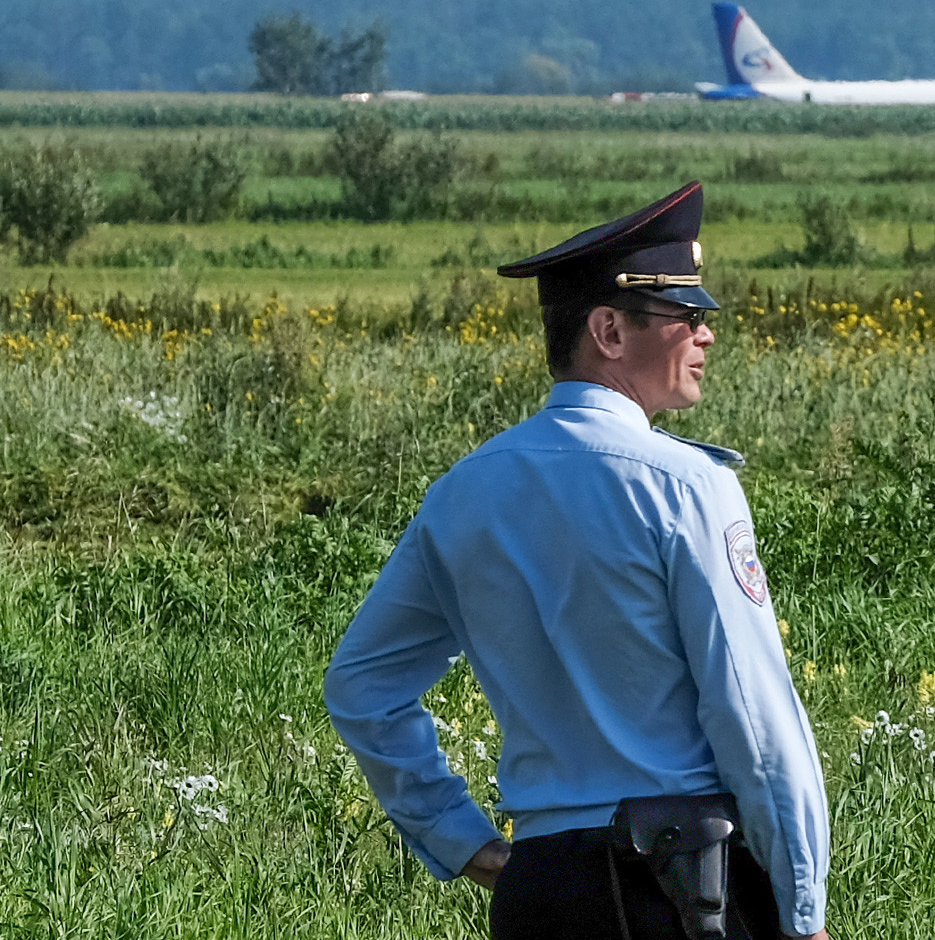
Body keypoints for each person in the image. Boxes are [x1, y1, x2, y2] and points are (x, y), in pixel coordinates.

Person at [324, 182, 830, 940]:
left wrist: (457, 837)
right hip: (690, 888)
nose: (707, 333)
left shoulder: (464, 492)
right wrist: (803, 908)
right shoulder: (689, 487)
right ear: (609, 330)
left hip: (543, 888)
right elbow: (753, 720)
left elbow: (363, 685)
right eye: (686, 314)